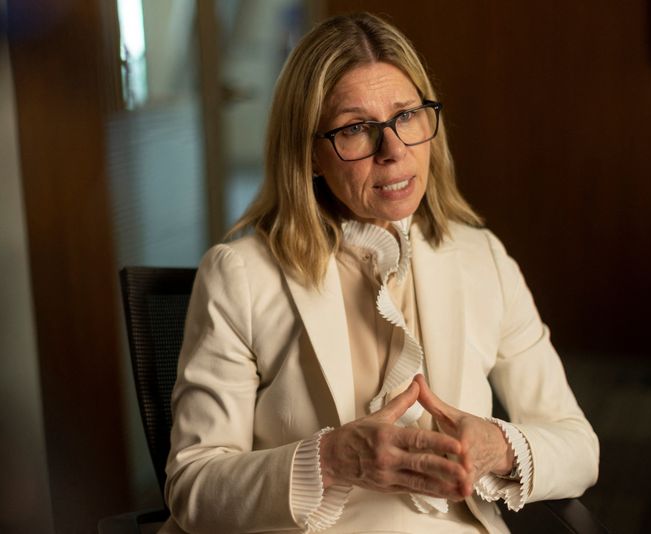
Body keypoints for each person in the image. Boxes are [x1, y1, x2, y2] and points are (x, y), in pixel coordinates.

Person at [160, 12, 598, 534]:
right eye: (355, 128)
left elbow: (579, 449)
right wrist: (331, 458)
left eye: (407, 116)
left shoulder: (484, 258)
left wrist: (497, 447)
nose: (394, 151)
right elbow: (194, 489)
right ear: (311, 155)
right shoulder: (240, 275)